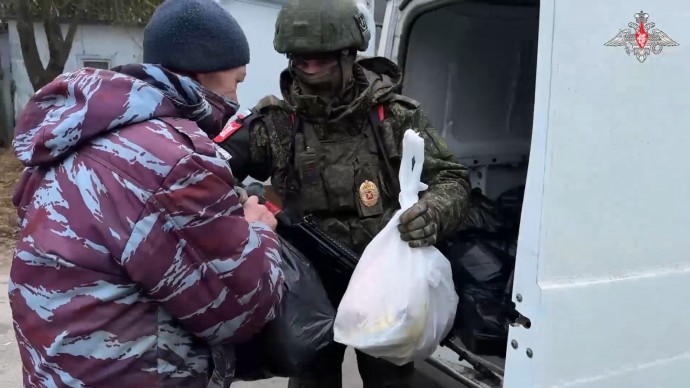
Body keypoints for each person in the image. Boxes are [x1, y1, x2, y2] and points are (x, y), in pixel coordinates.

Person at [8, 1, 283, 387]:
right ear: (202, 70)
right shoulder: (171, 160)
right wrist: (259, 230)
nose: (237, 96)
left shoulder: (80, 135)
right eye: (236, 80)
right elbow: (239, 309)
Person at [215, 0, 471, 386]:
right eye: (301, 60)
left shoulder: (394, 116)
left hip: (382, 284)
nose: (310, 69)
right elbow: (203, 168)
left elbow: (452, 179)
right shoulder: (277, 124)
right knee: (311, 378)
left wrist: (432, 212)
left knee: (389, 377)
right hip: (308, 288)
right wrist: (242, 202)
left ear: (349, 55)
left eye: (322, 59)